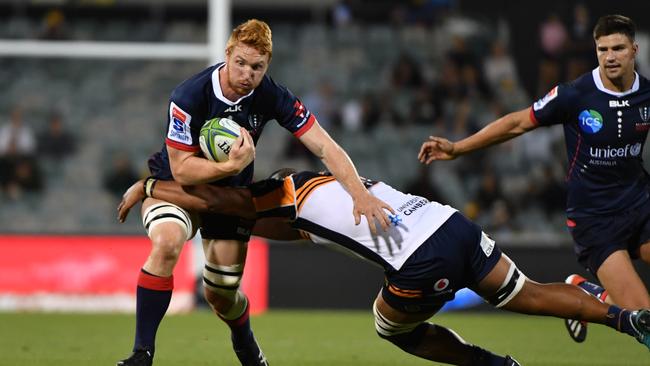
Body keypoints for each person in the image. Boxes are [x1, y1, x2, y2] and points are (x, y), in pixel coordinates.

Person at [117, 169, 650, 366]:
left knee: (388, 325)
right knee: (525, 292)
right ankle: (628, 320)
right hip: (451, 224)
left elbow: (232, 207)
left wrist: (150, 187)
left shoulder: (279, 192)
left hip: (423, 257)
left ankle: (490, 365)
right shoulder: (325, 187)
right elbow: (288, 226)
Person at [116, 19, 393, 366]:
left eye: (257, 67)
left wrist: (359, 194)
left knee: (221, 295)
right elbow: (183, 168)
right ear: (228, 54)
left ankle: (245, 344)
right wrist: (228, 167)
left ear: (267, 66)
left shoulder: (272, 95)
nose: (247, 73)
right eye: (241, 63)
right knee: (167, 242)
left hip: (231, 198)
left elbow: (323, 145)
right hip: (176, 188)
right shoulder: (189, 95)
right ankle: (142, 353)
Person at [418, 14, 650, 343]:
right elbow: (516, 122)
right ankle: (591, 297)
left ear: (634, 50)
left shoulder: (647, 94)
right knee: (645, 323)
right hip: (597, 221)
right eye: (603, 49)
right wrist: (458, 147)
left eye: (618, 48)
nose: (610, 56)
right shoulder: (575, 95)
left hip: (641, 206)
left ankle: (589, 295)